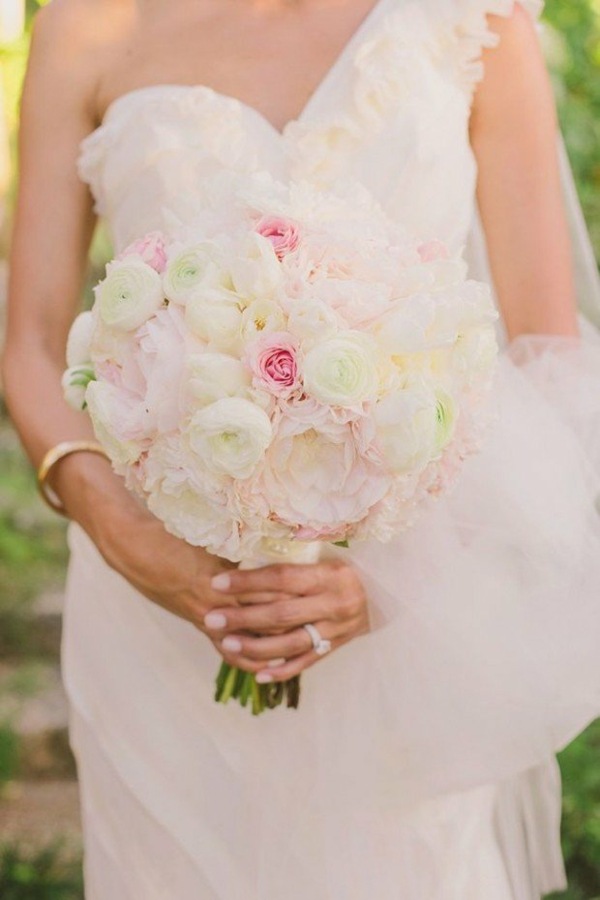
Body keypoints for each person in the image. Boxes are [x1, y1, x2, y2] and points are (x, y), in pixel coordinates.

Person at [3, 0, 600, 896]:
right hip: (154, 614)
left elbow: (547, 355)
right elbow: (30, 348)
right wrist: (123, 533)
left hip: (402, 615)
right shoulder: (89, 23)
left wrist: (396, 588)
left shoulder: (475, 21)